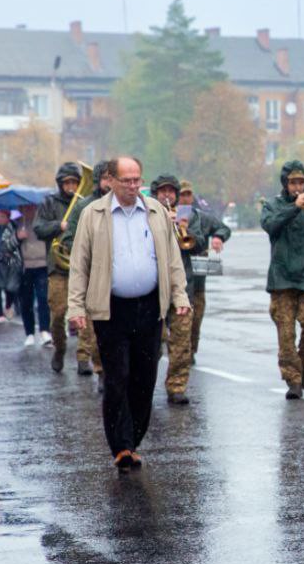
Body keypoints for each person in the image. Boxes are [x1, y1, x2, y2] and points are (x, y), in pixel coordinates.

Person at [67, 156, 191, 470]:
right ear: (111, 180)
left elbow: (172, 258)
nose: (134, 186)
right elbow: (79, 264)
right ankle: (121, 446)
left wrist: (180, 295)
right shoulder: (92, 214)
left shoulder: (156, 211)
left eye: (137, 180)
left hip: (151, 307)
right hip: (111, 309)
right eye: (127, 180)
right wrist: (76, 306)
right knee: (118, 377)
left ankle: (133, 439)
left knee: (145, 378)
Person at [261, 161, 304, 398]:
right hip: (282, 279)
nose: (298, 187)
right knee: (286, 335)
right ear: (285, 184)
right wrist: (294, 208)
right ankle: (294, 381)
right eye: (293, 182)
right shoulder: (273, 205)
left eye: (301, 182)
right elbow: (271, 226)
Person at [151, 174, 201, 406]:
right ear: (156, 193)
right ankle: (145, 384)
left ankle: (177, 386)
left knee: (182, 342)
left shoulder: (189, 215)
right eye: (163, 191)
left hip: (182, 288)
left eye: (172, 191)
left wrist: (183, 227)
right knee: (152, 344)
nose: (168, 195)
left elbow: (198, 242)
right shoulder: (145, 214)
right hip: (153, 289)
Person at [35, 162, 86, 370]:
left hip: (81, 266)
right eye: (67, 182)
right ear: (60, 184)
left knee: (85, 315)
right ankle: (60, 348)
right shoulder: (49, 203)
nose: (71, 186)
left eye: (74, 182)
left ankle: (84, 357)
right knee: (58, 313)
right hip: (58, 268)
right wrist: (59, 225)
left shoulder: (83, 203)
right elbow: (38, 229)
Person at [62, 160, 111, 378]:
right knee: (93, 326)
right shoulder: (83, 207)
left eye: (113, 178)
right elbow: (69, 238)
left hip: (116, 278)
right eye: (106, 178)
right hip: (91, 275)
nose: (110, 184)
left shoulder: (123, 206)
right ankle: (97, 368)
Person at [177, 179, 230, 360]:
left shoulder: (202, 217)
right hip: (175, 280)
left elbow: (223, 227)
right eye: (182, 194)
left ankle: (190, 351)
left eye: (188, 194)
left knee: (196, 319)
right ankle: (178, 351)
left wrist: (218, 237)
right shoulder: (167, 215)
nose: (185, 198)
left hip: (197, 280)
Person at [16, 204, 51, 347]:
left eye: (32, 207)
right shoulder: (16, 223)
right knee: (26, 302)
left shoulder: (43, 222)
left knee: (43, 299)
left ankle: (44, 330)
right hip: (24, 268)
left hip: (42, 265)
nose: (29, 210)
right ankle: (29, 333)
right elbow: (7, 245)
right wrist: (17, 237)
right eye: (26, 208)